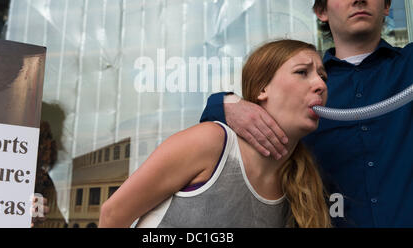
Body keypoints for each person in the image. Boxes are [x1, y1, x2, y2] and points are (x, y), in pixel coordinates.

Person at [200, 0, 413, 227]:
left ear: (387, 5)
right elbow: (217, 121)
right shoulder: (306, 85)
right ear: (321, 11)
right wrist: (228, 105)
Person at [99, 39, 331, 228]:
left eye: (323, 76)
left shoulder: (297, 185)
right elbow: (112, 216)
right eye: (302, 72)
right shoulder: (211, 142)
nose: (320, 84)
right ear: (262, 89)